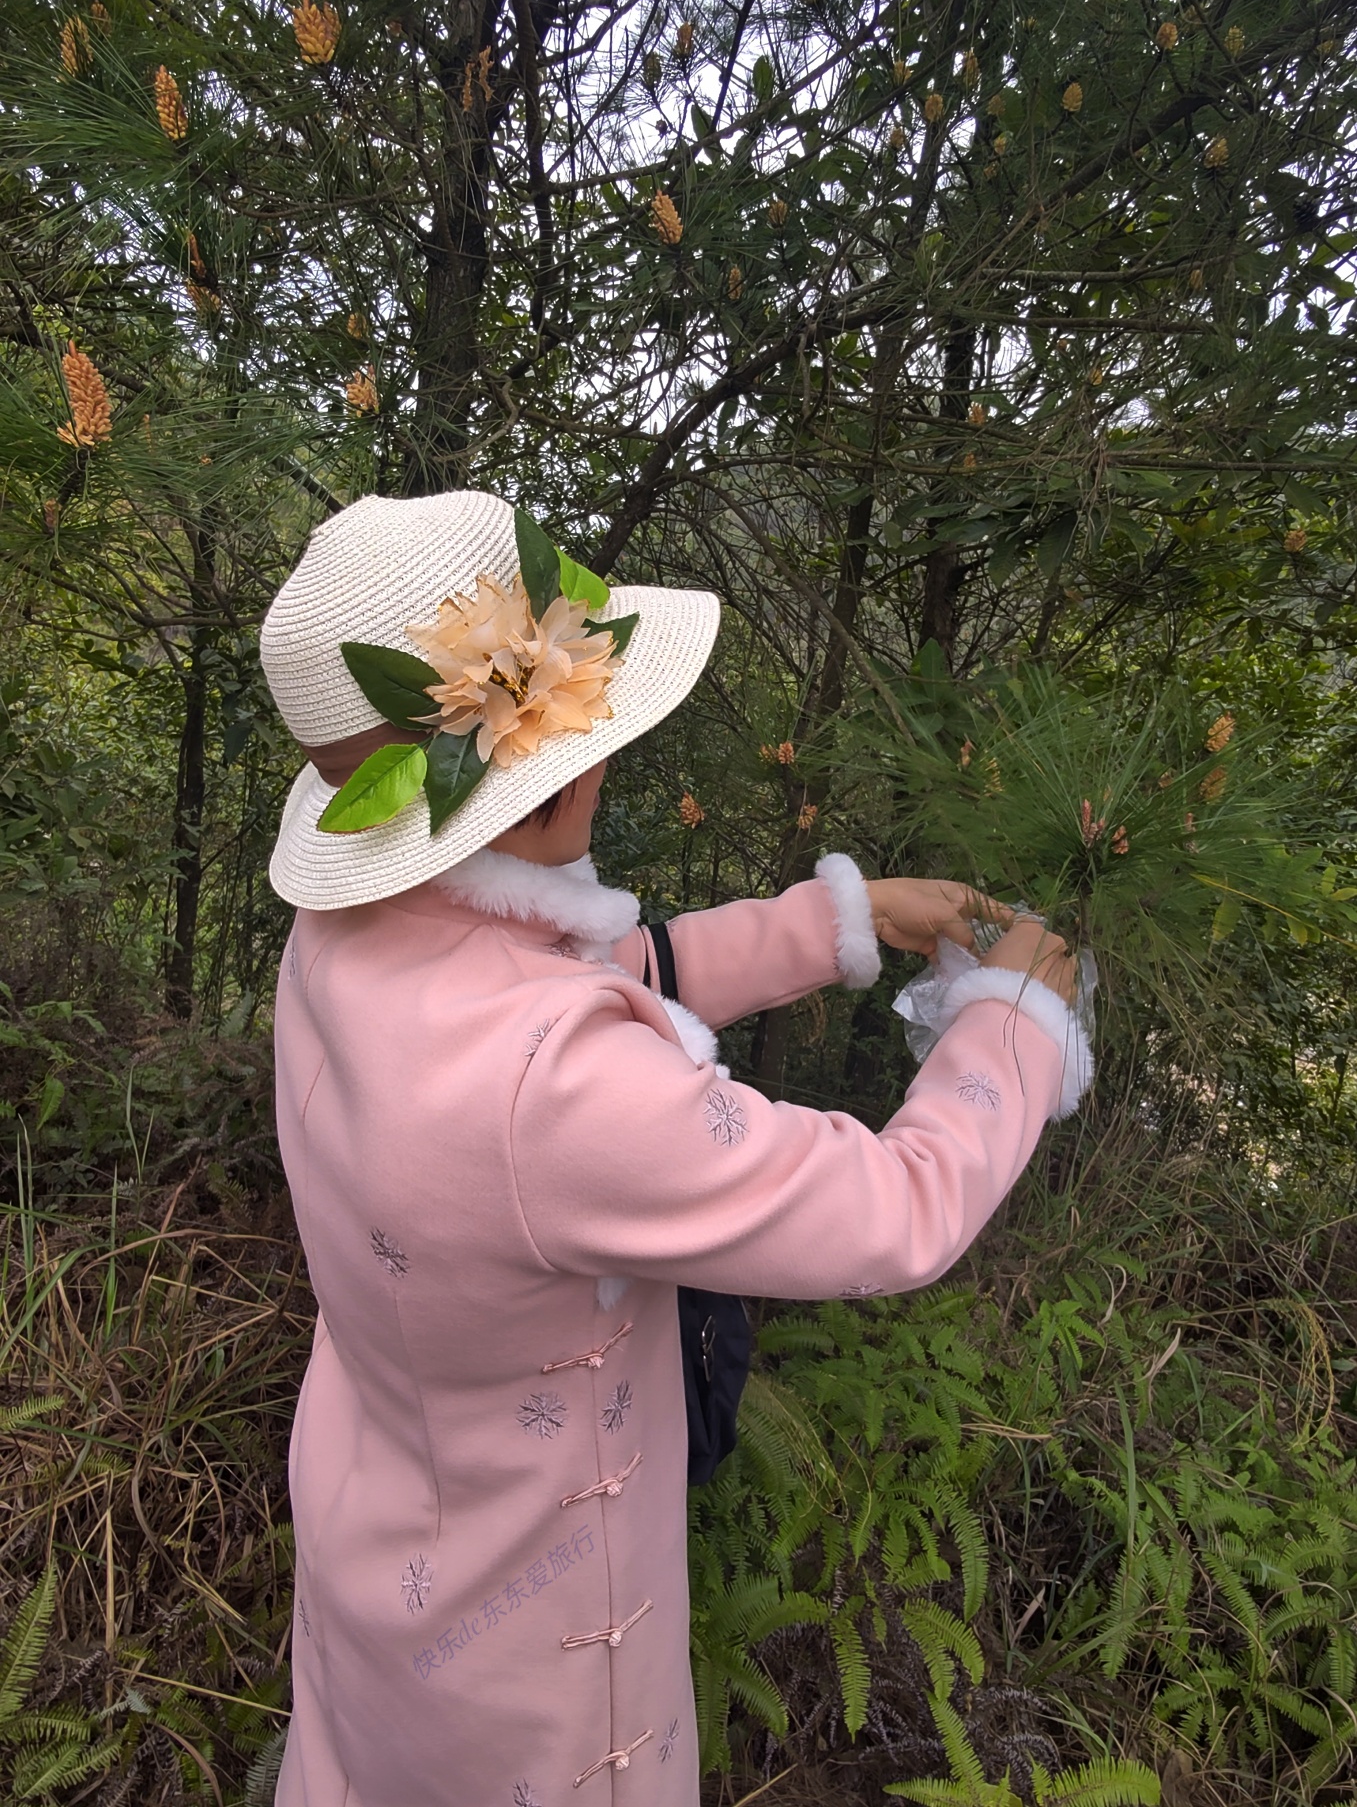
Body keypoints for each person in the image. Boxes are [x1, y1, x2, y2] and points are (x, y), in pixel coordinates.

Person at [259, 489, 1088, 1807]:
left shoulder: (351, 944)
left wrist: (833, 922)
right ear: (554, 758)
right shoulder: (559, 1089)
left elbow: (575, 978)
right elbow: (893, 1212)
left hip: (384, 1578)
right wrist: (1016, 1015)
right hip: (536, 1686)